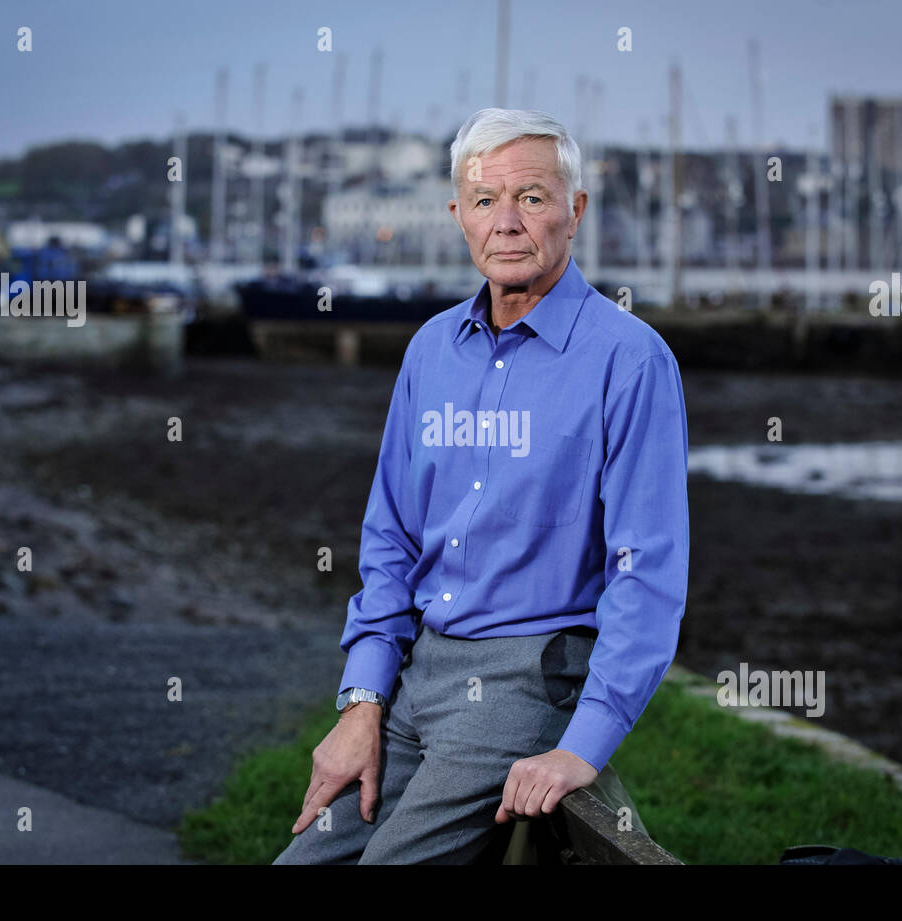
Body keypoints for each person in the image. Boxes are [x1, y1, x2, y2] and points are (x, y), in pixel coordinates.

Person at [273, 107, 689, 864]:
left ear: (575, 210)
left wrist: (582, 749)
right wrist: (362, 700)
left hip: (524, 687)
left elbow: (647, 573)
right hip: (413, 677)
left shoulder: (631, 360)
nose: (506, 222)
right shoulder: (431, 350)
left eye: (531, 197)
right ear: (458, 215)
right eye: (484, 199)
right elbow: (391, 539)